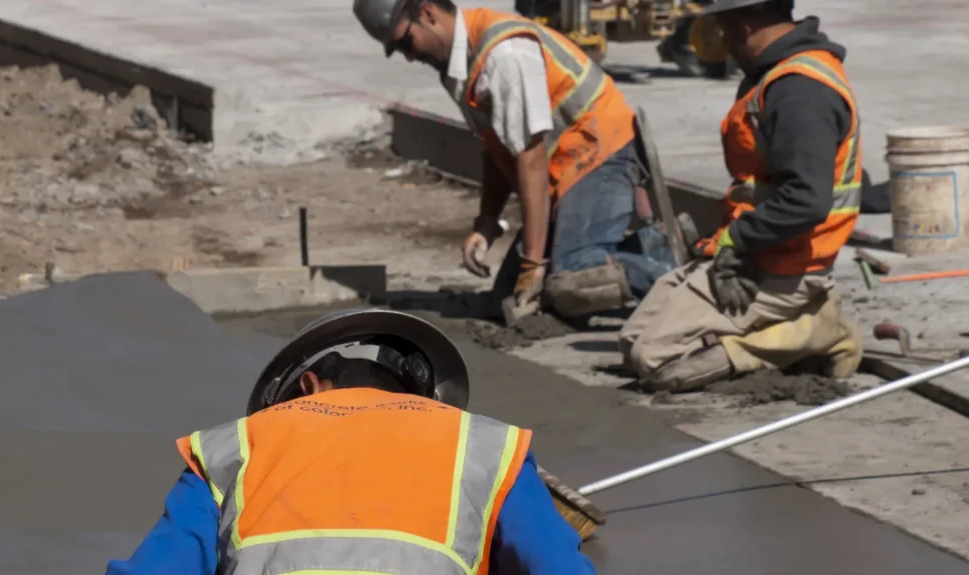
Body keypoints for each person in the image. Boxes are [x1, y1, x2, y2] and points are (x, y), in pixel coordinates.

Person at [105, 308, 596, 575]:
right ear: (422, 394)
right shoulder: (485, 447)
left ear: (307, 386)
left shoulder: (235, 448)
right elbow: (558, 568)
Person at [353, 0, 676, 319]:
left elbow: (530, 157)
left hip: (599, 150)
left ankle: (678, 277)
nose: (409, 57)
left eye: (406, 42)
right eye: (398, 50)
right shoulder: (456, 68)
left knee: (573, 277)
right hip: (561, 167)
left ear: (428, 13)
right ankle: (648, 250)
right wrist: (487, 222)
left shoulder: (504, 55)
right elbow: (497, 147)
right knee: (506, 299)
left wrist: (533, 264)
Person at [616, 0, 863, 392]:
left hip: (789, 265)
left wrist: (740, 240)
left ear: (744, 27)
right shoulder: (776, 75)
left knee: (654, 357)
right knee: (633, 341)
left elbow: (807, 200)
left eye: (725, 30)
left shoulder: (799, 91)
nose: (725, 44)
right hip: (764, 251)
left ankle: (815, 330)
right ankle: (800, 321)